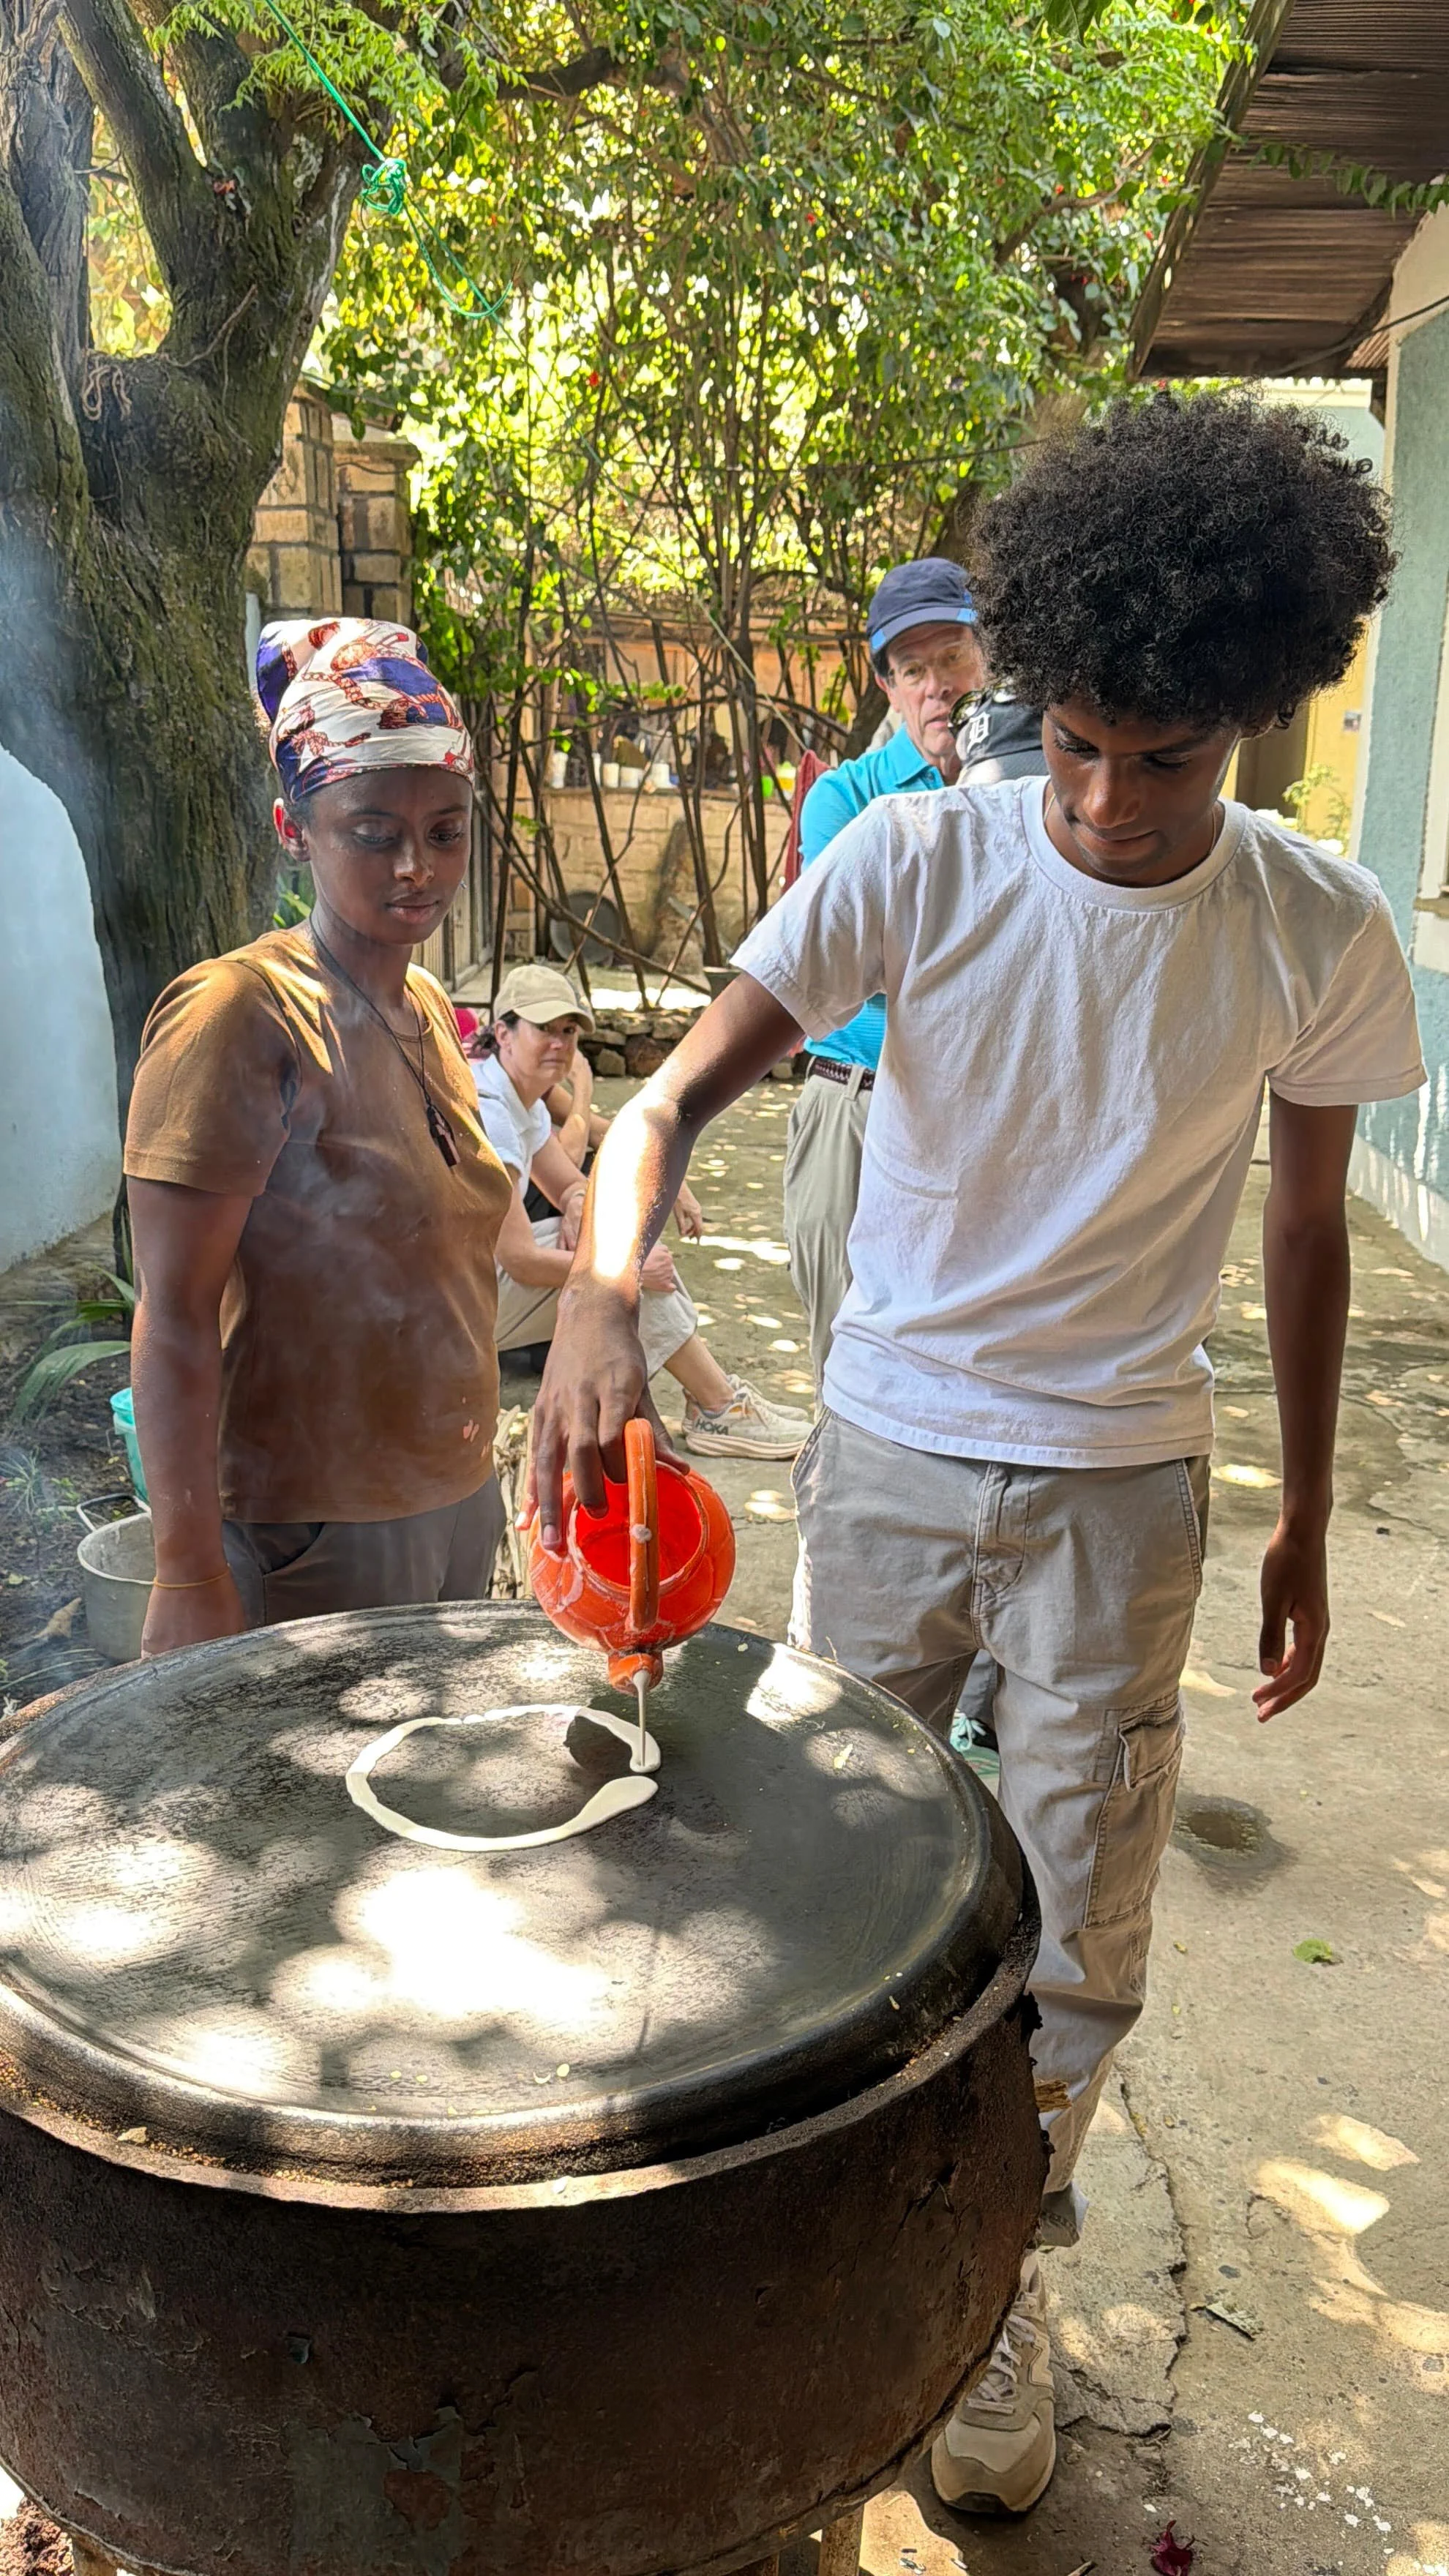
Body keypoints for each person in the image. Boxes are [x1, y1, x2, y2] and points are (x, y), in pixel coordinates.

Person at [525, 394, 1421, 2515]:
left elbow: (1304, 1228)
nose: (1110, 803)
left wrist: (1300, 1507)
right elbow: (665, 1103)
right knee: (829, 1873)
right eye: (1082, 744)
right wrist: (594, 1296)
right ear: (1031, 699)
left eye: (1170, 758)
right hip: (896, 1463)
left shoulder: (1314, 927)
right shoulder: (915, 860)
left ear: (1260, 725)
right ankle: (808, 2260)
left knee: (1083, 1924)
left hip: (1124, 1487)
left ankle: (999, 2291)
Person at [124, 618, 512, 1652]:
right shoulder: (240, 1016)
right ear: (294, 829)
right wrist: (188, 1568)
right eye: (373, 833)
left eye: (446, 831)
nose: (416, 869)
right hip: (320, 1535)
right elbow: (173, 1319)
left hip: (456, 1497)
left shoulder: (425, 1006)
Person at [475, 963, 812, 1462]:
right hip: (457, 1309)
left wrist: (579, 1204)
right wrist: (620, 1266)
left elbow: (568, 1180)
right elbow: (520, 1259)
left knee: (622, 1244)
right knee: (622, 1273)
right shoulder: (492, 1110)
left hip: (481, 1287)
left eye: (568, 1032)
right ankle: (718, 1408)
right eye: (543, 1029)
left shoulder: (521, 1098)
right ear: (502, 1032)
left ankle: (711, 1401)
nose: (559, 1044)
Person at [785, 558, 986, 1391]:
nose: (937, 687)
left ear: (988, 659)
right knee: (849, 1367)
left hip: (989, 1117)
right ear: (890, 687)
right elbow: (851, 962)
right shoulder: (843, 800)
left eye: (952, 660)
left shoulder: (1050, 791)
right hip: (855, 1101)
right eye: (913, 671)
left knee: (972, 1363)